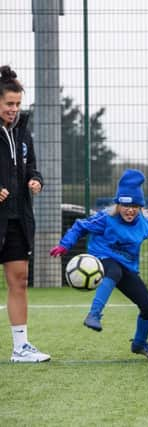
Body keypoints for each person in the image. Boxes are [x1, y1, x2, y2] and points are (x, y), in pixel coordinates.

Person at [50, 169, 148, 360]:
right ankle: (93, 314)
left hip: (127, 268)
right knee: (113, 270)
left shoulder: (144, 223)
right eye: (125, 205)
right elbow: (80, 226)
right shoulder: (105, 219)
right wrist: (65, 245)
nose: (130, 210)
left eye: (135, 206)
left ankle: (139, 344)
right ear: (118, 204)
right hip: (103, 259)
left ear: (140, 206)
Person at [0, 65, 50, 363]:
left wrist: (36, 180)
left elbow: (31, 167)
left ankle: (21, 347)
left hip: (17, 219)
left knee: (19, 280)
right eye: (9, 104)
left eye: (17, 104)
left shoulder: (22, 132)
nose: (14, 109)